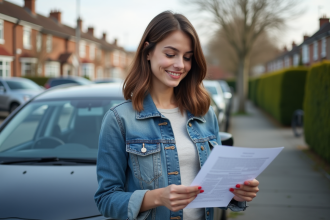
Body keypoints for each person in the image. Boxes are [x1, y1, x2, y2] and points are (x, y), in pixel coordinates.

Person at [95, 11, 259, 220]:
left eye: (187, 57)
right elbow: (106, 199)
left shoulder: (205, 115)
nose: (180, 65)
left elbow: (215, 189)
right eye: (171, 54)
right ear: (148, 51)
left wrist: (237, 194)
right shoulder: (119, 120)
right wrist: (157, 197)